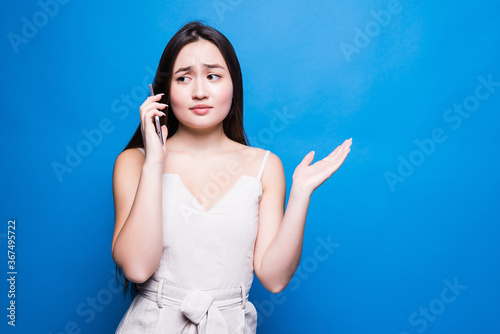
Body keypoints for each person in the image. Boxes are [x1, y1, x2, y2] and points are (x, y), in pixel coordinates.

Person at [111, 21, 352, 333]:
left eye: (213, 76)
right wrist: (155, 161)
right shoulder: (135, 161)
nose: (199, 92)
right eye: (184, 78)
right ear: (164, 91)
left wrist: (301, 194)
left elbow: (274, 278)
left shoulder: (265, 165)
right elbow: (137, 267)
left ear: (233, 84)